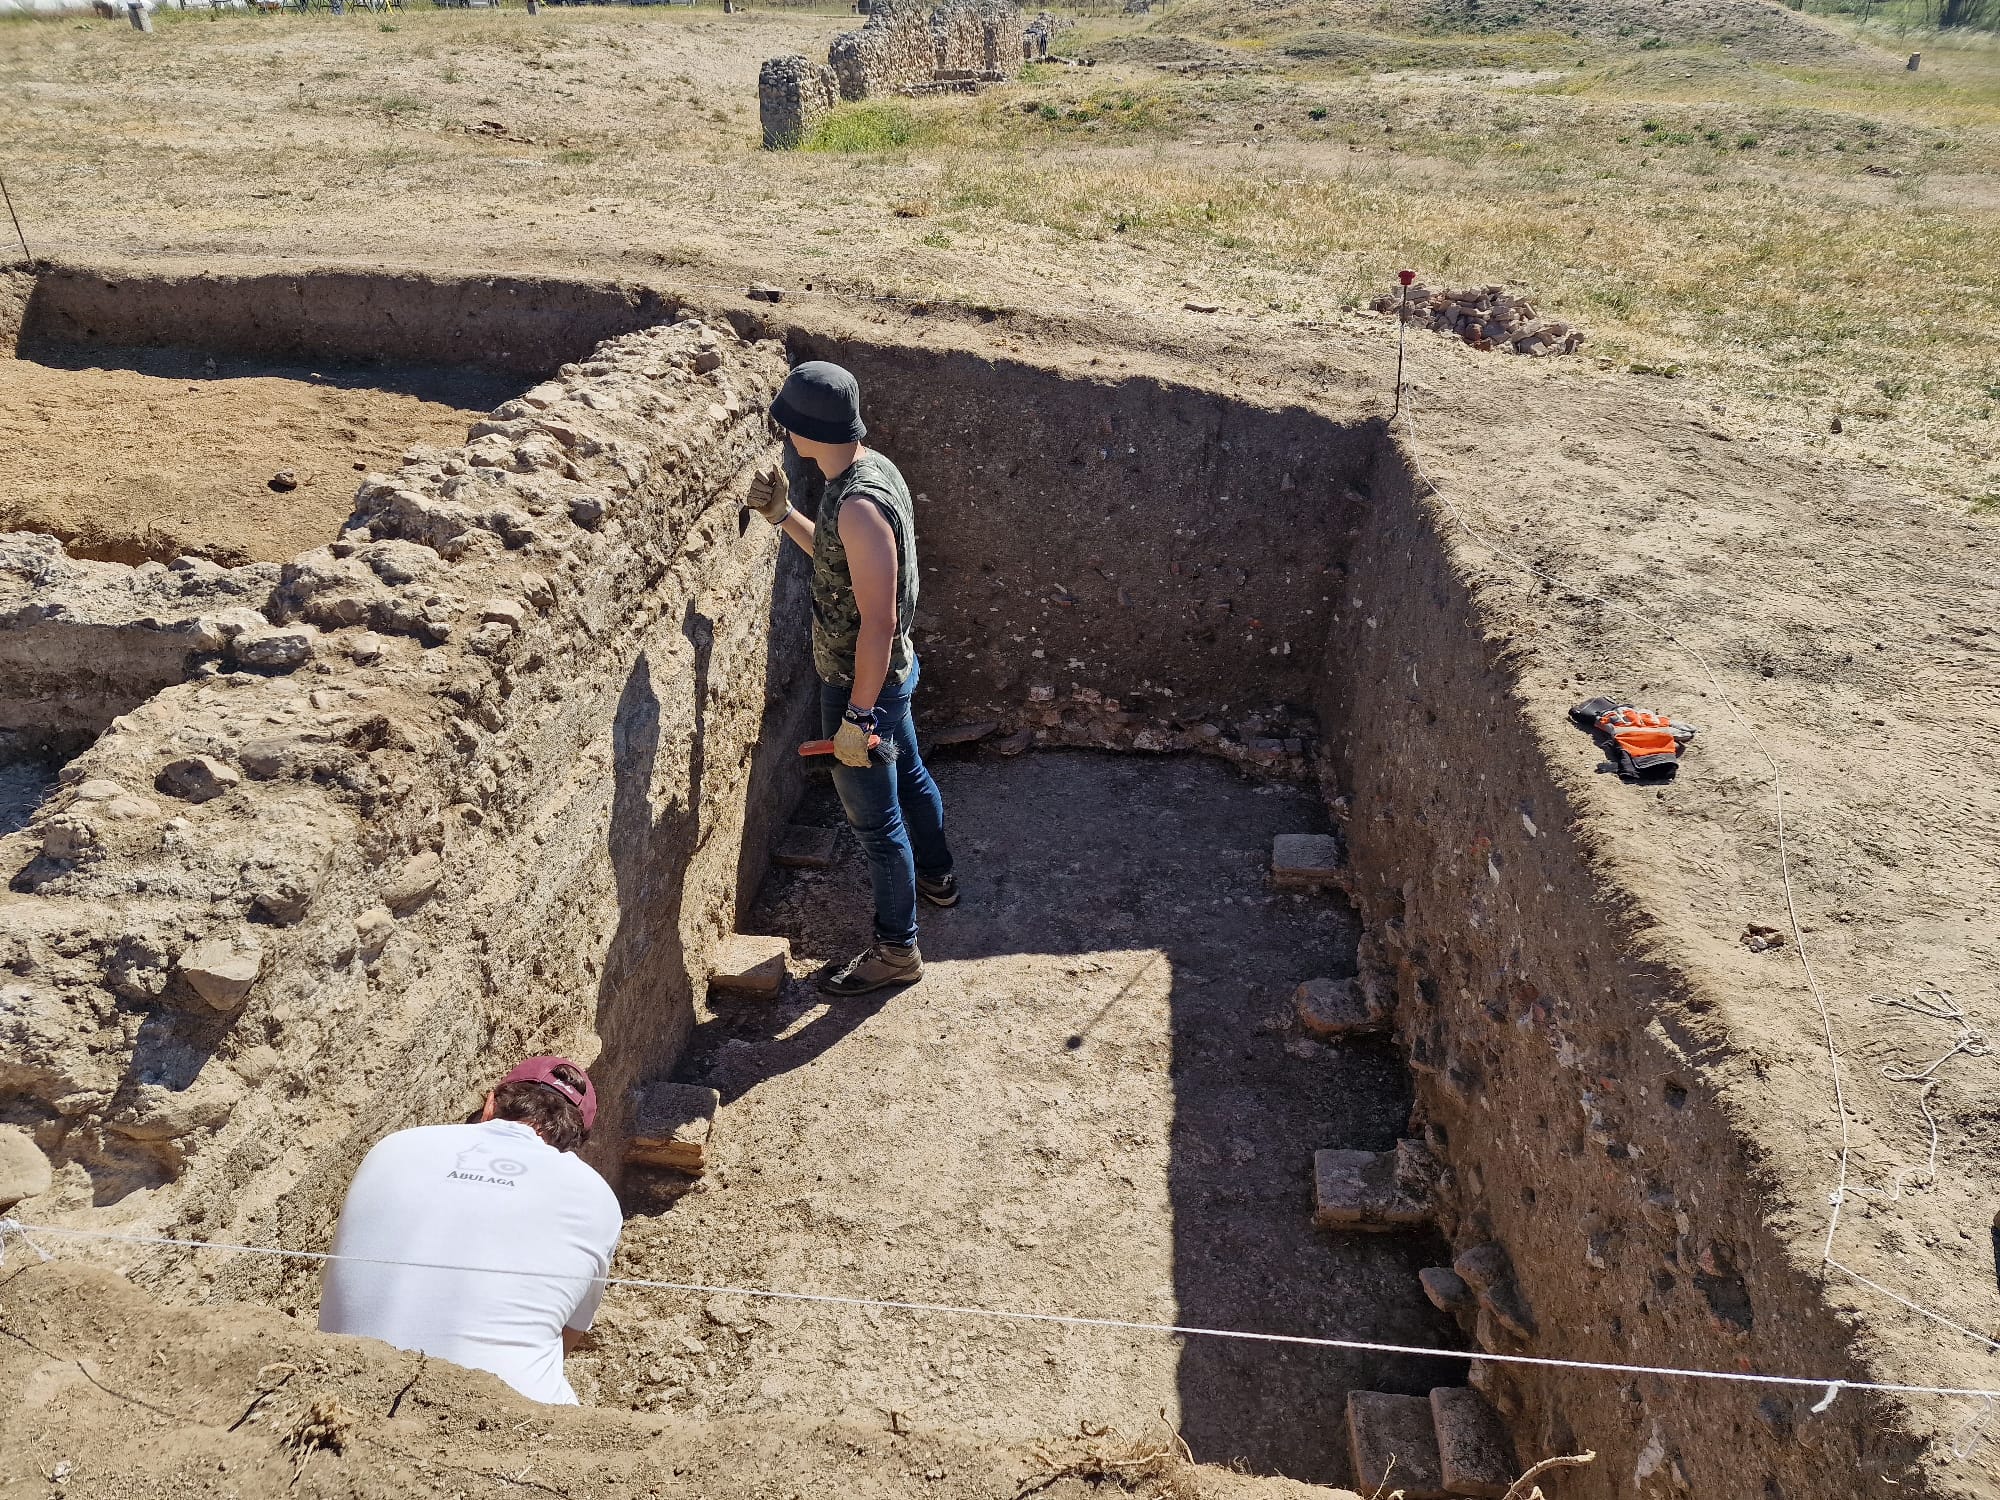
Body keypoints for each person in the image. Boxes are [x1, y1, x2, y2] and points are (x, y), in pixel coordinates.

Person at [746, 360, 956, 996]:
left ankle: (897, 951)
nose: (787, 438)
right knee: (912, 774)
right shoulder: (867, 472)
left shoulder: (860, 508)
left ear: (806, 432)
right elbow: (842, 566)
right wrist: (786, 515)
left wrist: (858, 716)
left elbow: (877, 622)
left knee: (877, 824)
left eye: (790, 426)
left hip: (865, 683)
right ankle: (939, 879)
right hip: (885, 677)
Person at [317, 1057, 621, 1406]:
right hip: (491, 1418)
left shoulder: (396, 1145)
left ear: (491, 1104)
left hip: (341, 1388)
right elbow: (568, 1335)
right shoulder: (595, 1196)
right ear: (574, 1141)